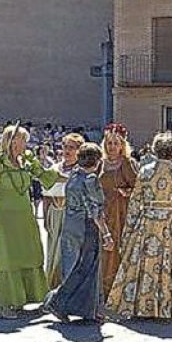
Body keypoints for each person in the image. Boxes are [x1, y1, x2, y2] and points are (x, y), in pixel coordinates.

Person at [106, 132, 172, 320]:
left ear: (155, 151)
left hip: (147, 223)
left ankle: (142, 306)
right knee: (169, 264)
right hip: (170, 225)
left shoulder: (145, 171)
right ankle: (169, 307)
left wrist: (129, 230)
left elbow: (135, 202)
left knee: (145, 264)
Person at [0, 125, 63, 319]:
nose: (26, 144)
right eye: (23, 140)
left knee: (29, 255)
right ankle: (6, 304)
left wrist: (73, 177)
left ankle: (26, 299)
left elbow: (46, 176)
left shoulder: (27, 162)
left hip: (25, 217)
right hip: (4, 218)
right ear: (11, 141)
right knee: (8, 259)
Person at [44, 143, 112, 323]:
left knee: (75, 267)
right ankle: (58, 301)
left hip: (70, 225)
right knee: (86, 268)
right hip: (86, 227)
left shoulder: (74, 175)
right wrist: (106, 234)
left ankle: (86, 309)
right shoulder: (91, 180)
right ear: (97, 161)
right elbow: (95, 210)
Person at [98, 124, 138, 291]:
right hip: (102, 212)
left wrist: (126, 192)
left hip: (121, 212)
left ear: (122, 145)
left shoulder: (127, 163)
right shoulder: (100, 164)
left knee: (118, 248)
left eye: (116, 143)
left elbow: (139, 187)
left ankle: (118, 289)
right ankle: (103, 287)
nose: (112, 147)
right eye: (109, 143)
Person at [43, 133, 84, 289]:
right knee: (53, 247)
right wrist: (46, 216)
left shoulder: (80, 171)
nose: (67, 151)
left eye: (71, 148)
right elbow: (46, 195)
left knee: (67, 249)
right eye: (65, 147)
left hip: (71, 212)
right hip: (55, 210)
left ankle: (68, 286)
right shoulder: (54, 168)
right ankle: (52, 285)